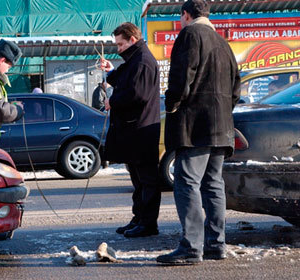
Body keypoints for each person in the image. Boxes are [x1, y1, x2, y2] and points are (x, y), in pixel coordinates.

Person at [157, 0, 240, 264]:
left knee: (187, 182)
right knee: (213, 184)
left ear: (186, 15)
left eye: (181, 17)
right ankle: (216, 245)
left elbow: (181, 78)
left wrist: (172, 105)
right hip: (222, 125)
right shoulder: (222, 42)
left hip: (195, 125)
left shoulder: (190, 34)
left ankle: (192, 247)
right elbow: (236, 87)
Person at [101, 22, 162, 238]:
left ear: (132, 40)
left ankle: (148, 223)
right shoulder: (135, 60)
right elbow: (125, 80)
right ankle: (139, 218)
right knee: (137, 180)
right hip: (133, 130)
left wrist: (113, 102)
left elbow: (138, 94)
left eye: (120, 44)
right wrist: (110, 71)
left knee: (147, 180)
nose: (118, 49)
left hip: (141, 130)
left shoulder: (143, 61)